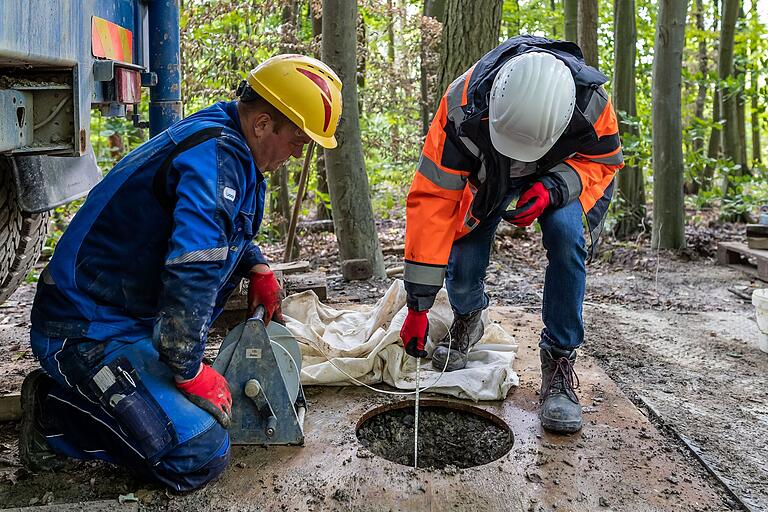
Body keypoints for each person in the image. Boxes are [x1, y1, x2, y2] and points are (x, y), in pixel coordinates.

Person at [19, 54, 342, 491]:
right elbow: (192, 270)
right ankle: (53, 414)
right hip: (84, 328)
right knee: (198, 450)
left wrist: (258, 265)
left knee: (204, 418)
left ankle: (120, 390)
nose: (296, 153)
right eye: (297, 142)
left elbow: (227, 227)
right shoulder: (215, 159)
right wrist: (189, 370)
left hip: (129, 318)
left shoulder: (233, 146)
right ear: (264, 124)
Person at [399, 36, 623, 434]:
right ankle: (468, 316)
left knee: (568, 236)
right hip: (483, 177)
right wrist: (418, 304)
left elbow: (603, 163)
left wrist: (554, 188)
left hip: (559, 177)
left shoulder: (592, 106)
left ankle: (559, 357)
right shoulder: (461, 107)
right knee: (463, 260)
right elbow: (433, 200)